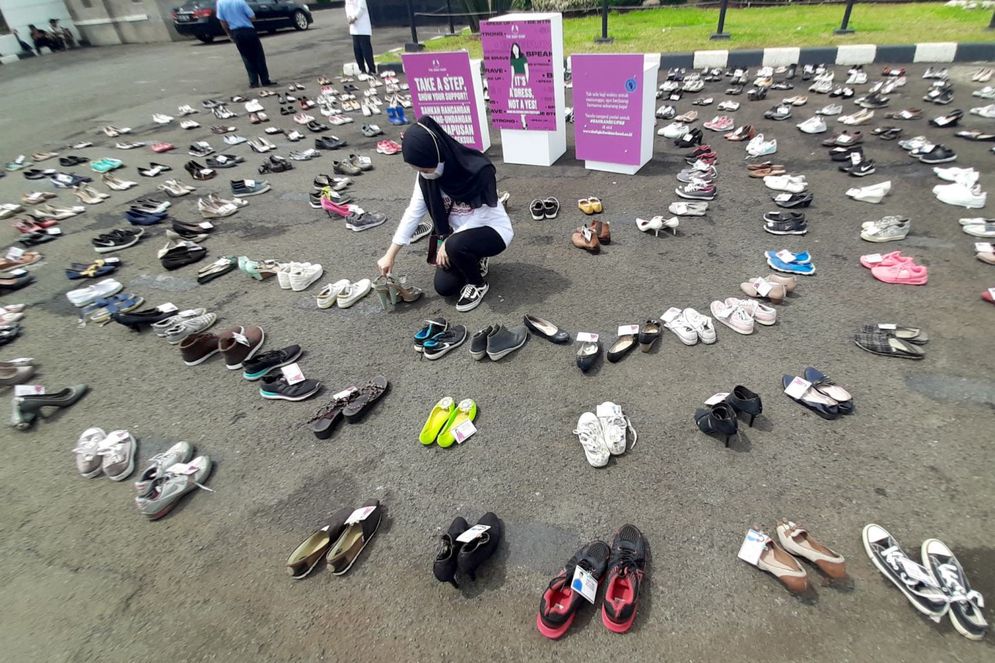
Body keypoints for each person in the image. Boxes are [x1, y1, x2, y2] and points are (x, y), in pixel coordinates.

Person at [377, 117, 513, 313]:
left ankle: (478, 285)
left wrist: (450, 242)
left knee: (457, 245)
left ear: (437, 154)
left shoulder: (477, 169)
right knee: (445, 288)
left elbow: (483, 214)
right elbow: (413, 212)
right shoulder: (425, 177)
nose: (423, 174)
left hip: (493, 230)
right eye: (418, 171)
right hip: (456, 237)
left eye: (425, 169)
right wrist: (390, 255)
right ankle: (475, 257)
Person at [216, 0, 276, 88]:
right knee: (258, 56)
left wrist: (229, 33)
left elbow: (222, 21)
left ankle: (253, 82)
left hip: (236, 32)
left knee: (247, 57)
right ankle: (265, 80)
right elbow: (252, 17)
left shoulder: (220, 3)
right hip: (248, 30)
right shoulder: (240, 1)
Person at [345, 0, 376, 76]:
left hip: (363, 26)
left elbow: (362, 8)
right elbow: (347, 7)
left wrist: (354, 18)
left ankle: (372, 69)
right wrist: (349, 17)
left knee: (366, 49)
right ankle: (362, 69)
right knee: (357, 50)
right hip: (354, 28)